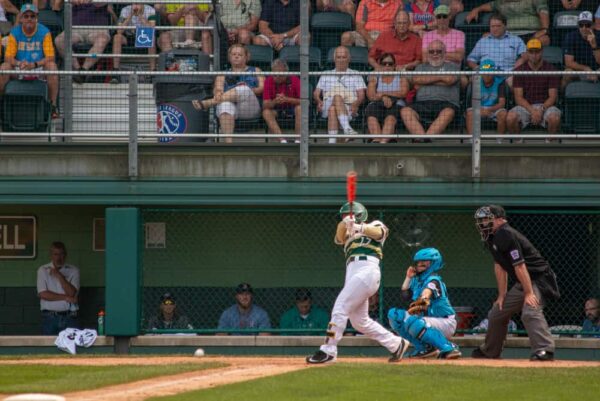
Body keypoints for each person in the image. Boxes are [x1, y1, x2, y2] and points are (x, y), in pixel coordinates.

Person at [306, 201, 409, 364]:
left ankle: (329, 350)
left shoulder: (374, 224)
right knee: (359, 322)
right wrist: (346, 223)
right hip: (353, 273)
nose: (344, 218)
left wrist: (360, 227)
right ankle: (396, 344)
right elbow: (339, 237)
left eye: (346, 215)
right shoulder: (348, 235)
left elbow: (380, 233)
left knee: (340, 307)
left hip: (367, 270)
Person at [473, 204, 559, 361]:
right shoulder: (491, 237)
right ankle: (490, 351)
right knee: (497, 313)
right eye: (482, 220)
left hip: (539, 280)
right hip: (524, 281)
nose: (483, 223)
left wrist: (529, 293)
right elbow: (500, 266)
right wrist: (502, 295)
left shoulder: (506, 234)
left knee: (530, 311)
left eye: (487, 219)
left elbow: (519, 266)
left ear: (499, 219)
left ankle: (544, 350)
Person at [388, 248, 461, 359]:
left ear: (433, 263)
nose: (420, 263)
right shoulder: (416, 280)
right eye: (419, 261)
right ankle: (424, 348)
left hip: (445, 321)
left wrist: (423, 298)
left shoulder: (434, 280)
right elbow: (405, 296)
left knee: (413, 322)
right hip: (427, 320)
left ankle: (449, 348)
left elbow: (427, 292)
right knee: (394, 315)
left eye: (425, 261)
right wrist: (408, 277)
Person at [191, 44, 264, 143]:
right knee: (225, 105)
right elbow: (218, 90)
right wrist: (218, 93)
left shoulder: (255, 70)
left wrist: (247, 90)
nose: (236, 56)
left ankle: (208, 103)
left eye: (240, 54)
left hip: (249, 107)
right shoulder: (222, 75)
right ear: (229, 57)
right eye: (233, 54)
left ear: (246, 57)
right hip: (231, 108)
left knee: (244, 89)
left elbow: (262, 88)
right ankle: (228, 144)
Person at [0, 4, 59, 118]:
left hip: (38, 68)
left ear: (36, 18)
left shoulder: (44, 32)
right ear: (21, 18)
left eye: (32, 16)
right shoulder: (14, 32)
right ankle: (1, 104)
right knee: (4, 67)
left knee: (52, 66)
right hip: (19, 67)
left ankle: (52, 106)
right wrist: (18, 63)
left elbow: (50, 56)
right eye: (26, 16)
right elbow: (8, 57)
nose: (29, 19)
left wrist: (35, 64)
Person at [400, 40, 460, 139]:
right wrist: (441, 78)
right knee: (405, 111)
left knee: (448, 112)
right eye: (432, 51)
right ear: (428, 53)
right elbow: (416, 79)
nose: (435, 54)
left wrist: (426, 80)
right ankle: (422, 139)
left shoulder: (452, 66)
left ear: (445, 53)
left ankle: (426, 139)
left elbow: (450, 79)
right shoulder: (421, 67)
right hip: (422, 103)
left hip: (446, 103)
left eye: (438, 51)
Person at [507, 38, 561, 142]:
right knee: (510, 118)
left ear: (542, 52)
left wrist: (541, 110)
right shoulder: (519, 70)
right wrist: (532, 111)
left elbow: (553, 97)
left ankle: (549, 143)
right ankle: (519, 141)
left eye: (537, 51)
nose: (534, 55)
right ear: (527, 53)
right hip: (525, 106)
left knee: (554, 118)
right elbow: (518, 98)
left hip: (546, 105)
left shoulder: (551, 69)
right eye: (531, 52)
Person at [314, 46, 366, 143]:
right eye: (338, 57)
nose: (341, 60)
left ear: (349, 58)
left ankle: (331, 143)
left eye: (344, 57)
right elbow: (316, 93)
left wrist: (356, 104)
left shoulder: (356, 74)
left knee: (333, 109)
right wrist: (319, 101)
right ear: (334, 59)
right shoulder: (326, 73)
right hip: (327, 103)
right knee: (337, 97)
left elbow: (361, 95)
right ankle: (347, 129)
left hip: (349, 107)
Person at [54, 0, 112, 84]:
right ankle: (78, 70)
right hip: (75, 29)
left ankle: (85, 69)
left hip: (97, 29)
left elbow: (101, 3)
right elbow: (57, 5)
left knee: (102, 40)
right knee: (59, 41)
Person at [467, 13, 527, 88]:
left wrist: (521, 60)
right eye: (492, 26)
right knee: (474, 79)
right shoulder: (483, 41)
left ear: (505, 26)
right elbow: (470, 59)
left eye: (498, 26)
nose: (495, 29)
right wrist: (478, 69)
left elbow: (526, 55)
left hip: (508, 75)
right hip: (486, 73)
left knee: (515, 81)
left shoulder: (516, 40)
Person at [36, 242, 79, 335]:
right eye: (56, 254)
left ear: (65, 255)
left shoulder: (73, 270)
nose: (59, 257)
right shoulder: (43, 270)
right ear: (51, 255)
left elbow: (71, 293)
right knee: (47, 347)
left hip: (69, 316)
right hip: (49, 317)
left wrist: (59, 275)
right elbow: (43, 294)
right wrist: (66, 298)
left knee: (71, 347)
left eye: (61, 254)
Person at [365, 53, 409, 143]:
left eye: (390, 63)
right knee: (371, 116)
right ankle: (377, 140)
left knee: (390, 118)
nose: (387, 66)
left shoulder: (401, 75)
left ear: (394, 65)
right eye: (384, 64)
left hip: (397, 103)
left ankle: (383, 143)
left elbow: (403, 93)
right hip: (377, 102)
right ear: (380, 65)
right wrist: (383, 98)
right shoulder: (375, 76)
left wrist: (383, 93)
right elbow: (370, 96)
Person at [465, 0, 550, 46]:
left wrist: (544, 30)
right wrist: (476, 9)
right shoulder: (501, 2)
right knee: (485, 37)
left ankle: (521, 61)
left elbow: (543, 12)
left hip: (532, 34)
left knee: (544, 40)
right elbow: (489, 6)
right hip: (507, 35)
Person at [262, 58, 301, 143]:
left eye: (281, 75)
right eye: (275, 75)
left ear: (286, 73)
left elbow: (305, 102)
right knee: (266, 112)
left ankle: (298, 140)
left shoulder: (295, 80)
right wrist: (275, 101)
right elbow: (265, 104)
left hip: (292, 109)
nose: (277, 77)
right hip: (277, 109)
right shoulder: (268, 81)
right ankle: (282, 140)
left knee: (300, 108)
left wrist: (287, 99)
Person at [466, 59, 507, 138]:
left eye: (489, 72)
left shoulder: (500, 82)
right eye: (484, 72)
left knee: (503, 114)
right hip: (479, 107)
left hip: (494, 108)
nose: (486, 75)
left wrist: (489, 110)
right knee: (469, 114)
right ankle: (472, 140)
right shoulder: (476, 81)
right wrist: (481, 110)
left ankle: (500, 140)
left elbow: (502, 103)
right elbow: (473, 101)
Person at [112, 3, 157, 75]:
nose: (136, 6)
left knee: (152, 37)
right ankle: (115, 70)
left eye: (138, 3)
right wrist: (130, 16)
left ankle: (153, 71)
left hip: (143, 36)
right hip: (129, 37)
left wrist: (140, 16)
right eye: (134, 3)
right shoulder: (125, 10)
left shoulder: (150, 10)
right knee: (117, 37)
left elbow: (152, 29)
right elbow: (119, 31)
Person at [562, 11, 600, 87]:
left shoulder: (599, 36)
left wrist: (594, 46)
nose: (584, 28)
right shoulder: (571, 37)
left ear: (593, 25)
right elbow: (568, 62)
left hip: (597, 70)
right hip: (579, 71)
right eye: (581, 25)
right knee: (568, 72)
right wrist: (586, 68)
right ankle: (562, 98)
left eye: (587, 25)